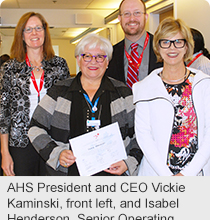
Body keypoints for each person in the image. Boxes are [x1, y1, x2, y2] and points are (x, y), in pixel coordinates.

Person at [28, 33, 142, 176]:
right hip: (69, 176)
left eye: (100, 57)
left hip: (112, 177)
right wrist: (57, 153)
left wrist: (128, 162)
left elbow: (141, 134)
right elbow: (35, 128)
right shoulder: (59, 91)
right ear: (78, 59)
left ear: (107, 62)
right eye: (87, 56)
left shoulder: (123, 93)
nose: (93, 62)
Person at [133, 17, 210, 176]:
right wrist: (168, 177)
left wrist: (187, 175)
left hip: (197, 173)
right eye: (165, 42)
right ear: (158, 46)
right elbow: (144, 137)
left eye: (178, 42)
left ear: (187, 46)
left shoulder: (204, 84)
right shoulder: (144, 87)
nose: (172, 48)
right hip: (157, 174)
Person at [0, 12, 70, 176]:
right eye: (28, 29)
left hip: (52, 140)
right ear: (22, 35)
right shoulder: (10, 68)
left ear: (45, 32)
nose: (34, 33)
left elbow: (67, 106)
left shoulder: (59, 65)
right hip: (20, 143)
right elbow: (3, 113)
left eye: (38, 28)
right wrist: (4, 153)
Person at [106, 0, 161, 88]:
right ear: (120, 18)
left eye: (137, 13)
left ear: (146, 17)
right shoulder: (110, 54)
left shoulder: (163, 48)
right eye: (127, 13)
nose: (132, 18)